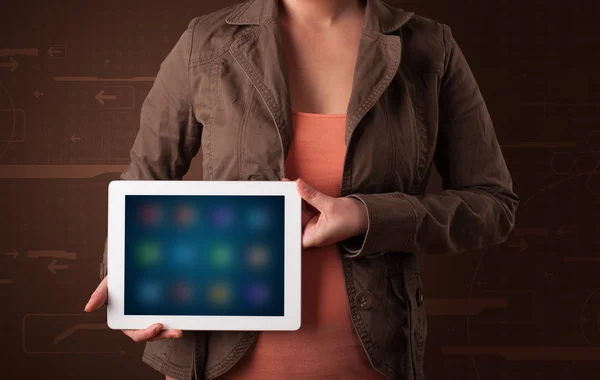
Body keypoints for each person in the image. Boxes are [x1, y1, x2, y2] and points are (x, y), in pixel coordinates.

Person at [84, 0, 519, 379]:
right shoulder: (205, 41)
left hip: (374, 361)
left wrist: (366, 216)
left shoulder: (429, 46)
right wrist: (126, 281)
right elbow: (143, 184)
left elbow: (493, 205)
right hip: (213, 358)